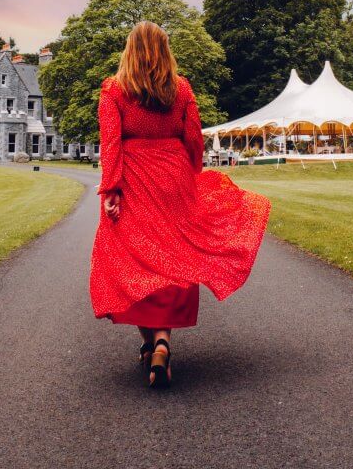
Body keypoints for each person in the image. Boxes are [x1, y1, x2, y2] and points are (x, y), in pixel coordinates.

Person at [90, 21, 271, 388]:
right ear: (164, 51)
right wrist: (191, 174)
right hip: (173, 176)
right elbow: (193, 139)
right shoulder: (181, 87)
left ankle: (150, 341)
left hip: (134, 178)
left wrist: (110, 189)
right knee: (175, 257)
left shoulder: (114, 89)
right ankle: (161, 341)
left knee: (132, 259)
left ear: (129, 50)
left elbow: (110, 143)